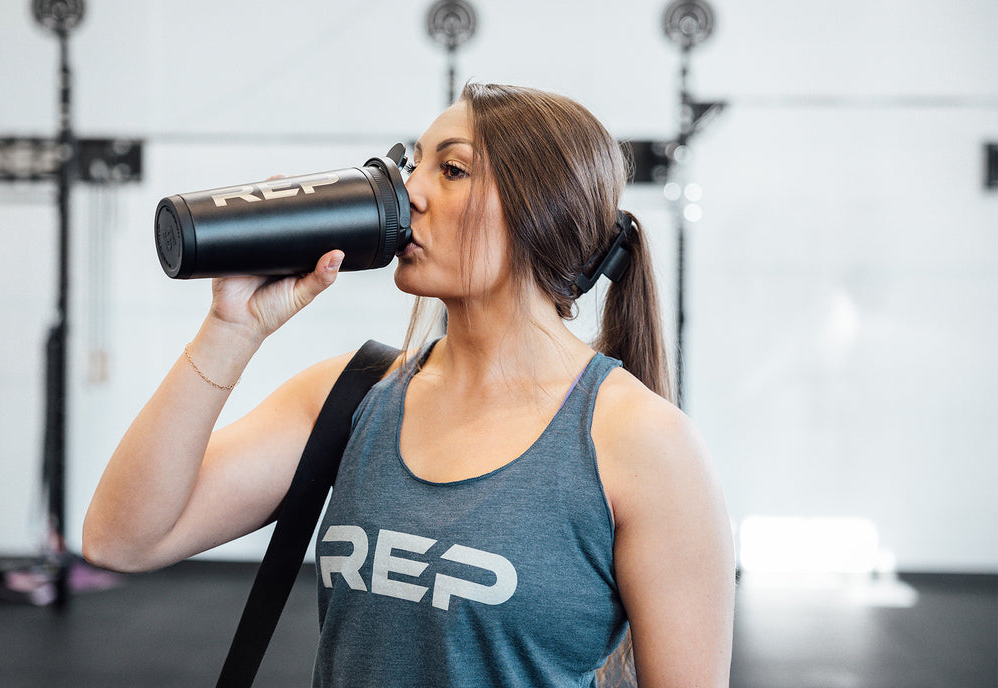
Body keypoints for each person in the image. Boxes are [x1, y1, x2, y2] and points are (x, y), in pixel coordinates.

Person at [83, 82, 735, 688]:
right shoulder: (352, 395)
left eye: (451, 170)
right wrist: (230, 330)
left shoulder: (643, 443)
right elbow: (121, 539)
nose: (410, 191)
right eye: (412, 164)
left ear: (544, 208)